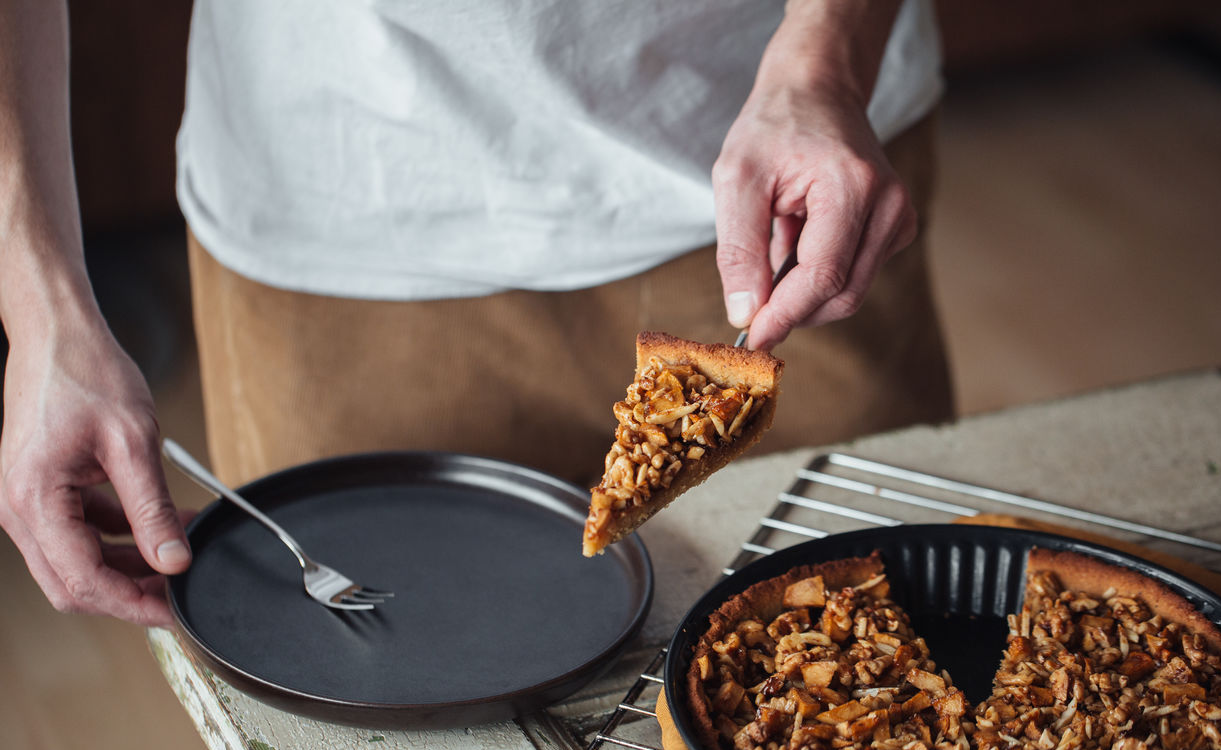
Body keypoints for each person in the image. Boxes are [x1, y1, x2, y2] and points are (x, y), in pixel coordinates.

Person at [0, 0, 953, 627]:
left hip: (791, 172)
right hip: (340, 221)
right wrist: (40, 302)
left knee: (892, 665)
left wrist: (825, 60)